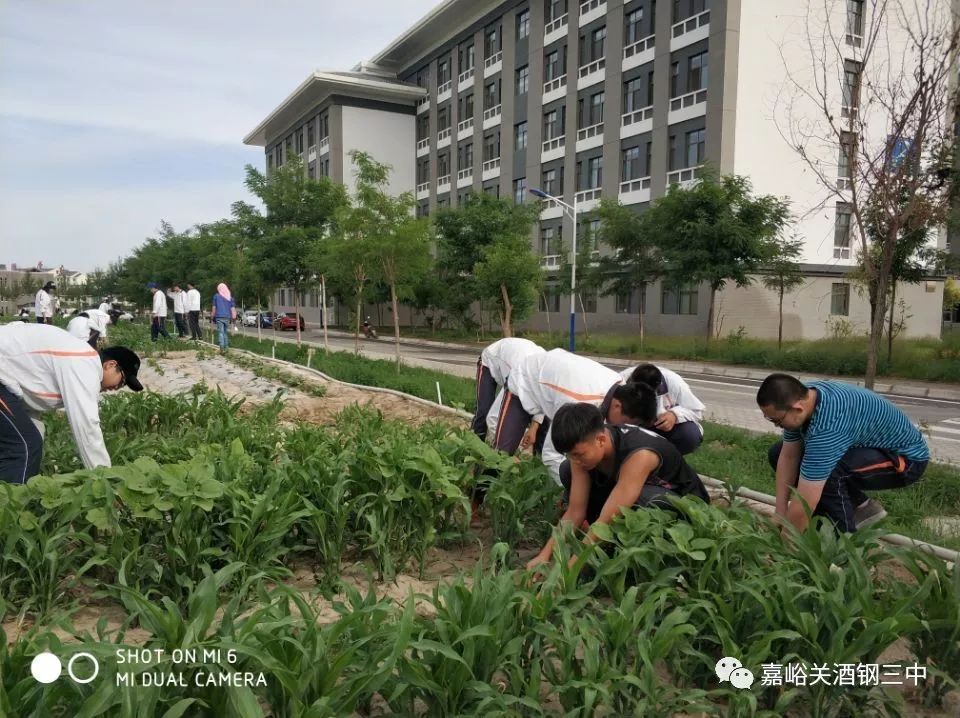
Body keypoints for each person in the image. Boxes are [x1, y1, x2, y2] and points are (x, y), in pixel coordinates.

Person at [526, 401, 710, 572]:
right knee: (567, 469)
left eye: (578, 454)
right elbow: (575, 511)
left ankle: (650, 555)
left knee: (642, 500)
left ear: (600, 440)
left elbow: (606, 521)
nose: (575, 460)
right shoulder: (584, 444)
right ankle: (612, 541)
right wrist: (544, 556)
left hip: (684, 505)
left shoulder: (640, 455)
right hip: (634, 490)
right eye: (570, 454)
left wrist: (568, 571)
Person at [756, 373, 929, 534]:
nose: (776, 425)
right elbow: (788, 456)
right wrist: (780, 512)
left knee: (830, 471)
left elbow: (806, 498)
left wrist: (787, 543)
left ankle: (844, 543)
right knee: (777, 453)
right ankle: (860, 508)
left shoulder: (828, 425)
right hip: (864, 448)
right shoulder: (803, 396)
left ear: (798, 408)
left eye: (777, 420)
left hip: (905, 459)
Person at [0, 322, 143, 483]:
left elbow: (26, 404)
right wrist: (105, 481)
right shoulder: (84, 362)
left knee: (28, 437)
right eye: (122, 381)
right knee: (24, 446)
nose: (117, 388)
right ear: (110, 365)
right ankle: (10, 504)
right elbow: (86, 425)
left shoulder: (78, 357)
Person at [493, 348, 632, 481]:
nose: (622, 428)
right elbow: (551, 455)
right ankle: (479, 498)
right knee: (500, 456)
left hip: (554, 385)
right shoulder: (579, 401)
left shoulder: (623, 390)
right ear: (617, 406)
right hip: (522, 381)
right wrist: (568, 489)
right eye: (623, 424)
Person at [620, 363, 705, 454]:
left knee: (689, 435)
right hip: (632, 425)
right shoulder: (620, 380)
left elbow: (696, 409)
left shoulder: (675, 382)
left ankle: (668, 460)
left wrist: (674, 415)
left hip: (660, 426)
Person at [471, 338, 545, 442]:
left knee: (543, 422)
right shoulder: (519, 376)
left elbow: (542, 402)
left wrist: (534, 426)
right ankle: (472, 446)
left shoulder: (546, 376)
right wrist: (502, 453)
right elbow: (494, 419)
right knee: (484, 410)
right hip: (490, 360)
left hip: (515, 356)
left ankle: (538, 453)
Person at [212, 283, 236, 351]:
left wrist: (212, 316)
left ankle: (221, 347)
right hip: (227, 317)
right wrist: (234, 318)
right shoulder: (230, 298)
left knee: (221, 332)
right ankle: (226, 347)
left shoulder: (216, 296)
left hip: (219, 317)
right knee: (225, 332)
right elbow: (233, 309)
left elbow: (214, 308)